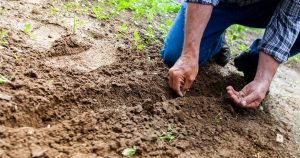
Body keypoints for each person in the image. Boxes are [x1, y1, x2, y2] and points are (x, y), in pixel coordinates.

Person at [161, 0, 300, 108]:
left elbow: (290, 19)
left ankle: (256, 62)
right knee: (175, 55)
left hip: (267, 8)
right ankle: (216, 40)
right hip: (220, 4)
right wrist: (188, 55)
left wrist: (263, 79)